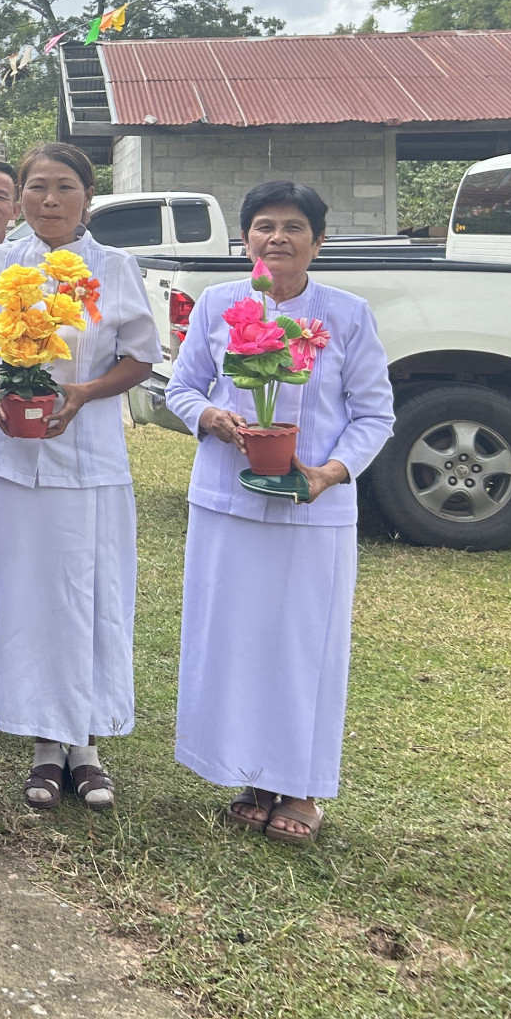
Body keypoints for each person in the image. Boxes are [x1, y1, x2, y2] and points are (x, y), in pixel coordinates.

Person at [165, 181, 392, 846]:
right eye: (264, 226)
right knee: (235, 640)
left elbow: (374, 414)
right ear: (245, 241)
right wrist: (209, 415)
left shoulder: (345, 315)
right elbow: (181, 386)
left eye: (294, 227)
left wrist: (329, 472)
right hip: (227, 500)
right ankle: (252, 774)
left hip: (311, 508)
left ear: (318, 242)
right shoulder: (217, 303)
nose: (277, 238)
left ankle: (301, 787)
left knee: (301, 647)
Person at [0, 143, 157, 813]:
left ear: (88, 196)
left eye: (65, 187)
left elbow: (140, 357)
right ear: (20, 196)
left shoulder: (114, 267)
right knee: (27, 600)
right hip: (16, 464)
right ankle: (45, 745)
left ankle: (86, 746)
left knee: (90, 599)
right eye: (37, 187)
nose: (49, 200)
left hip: (91, 463)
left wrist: (84, 393)